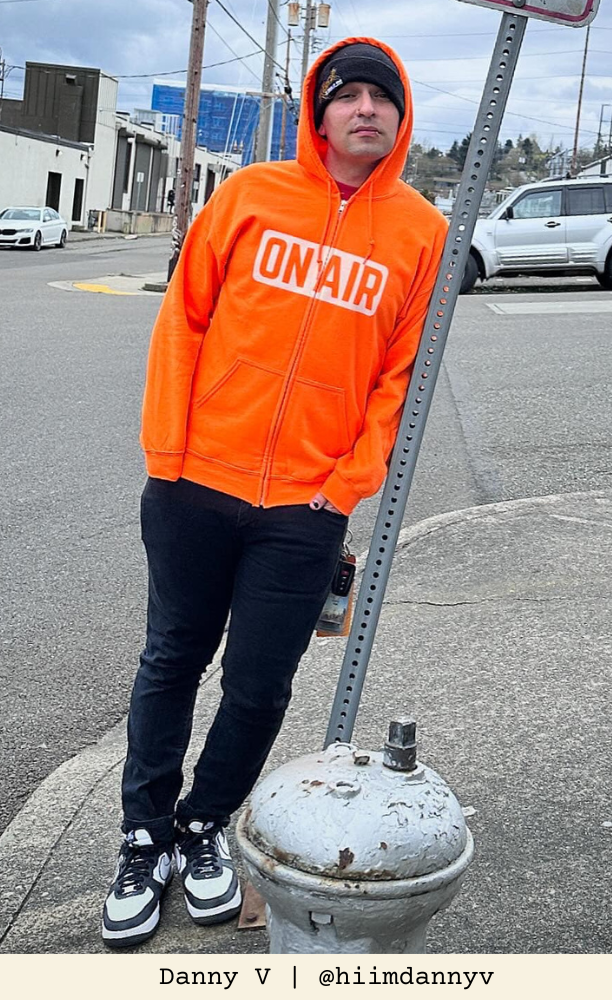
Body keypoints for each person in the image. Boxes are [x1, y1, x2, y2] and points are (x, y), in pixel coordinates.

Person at [101, 37, 449, 948]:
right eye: (349, 95)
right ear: (319, 113)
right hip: (194, 484)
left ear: (402, 117)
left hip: (305, 507)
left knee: (258, 687)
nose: (366, 109)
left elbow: (402, 376)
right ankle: (142, 838)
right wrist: (168, 453)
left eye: (383, 97)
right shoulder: (251, 194)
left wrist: (345, 485)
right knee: (171, 660)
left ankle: (201, 828)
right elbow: (184, 319)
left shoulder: (422, 232)